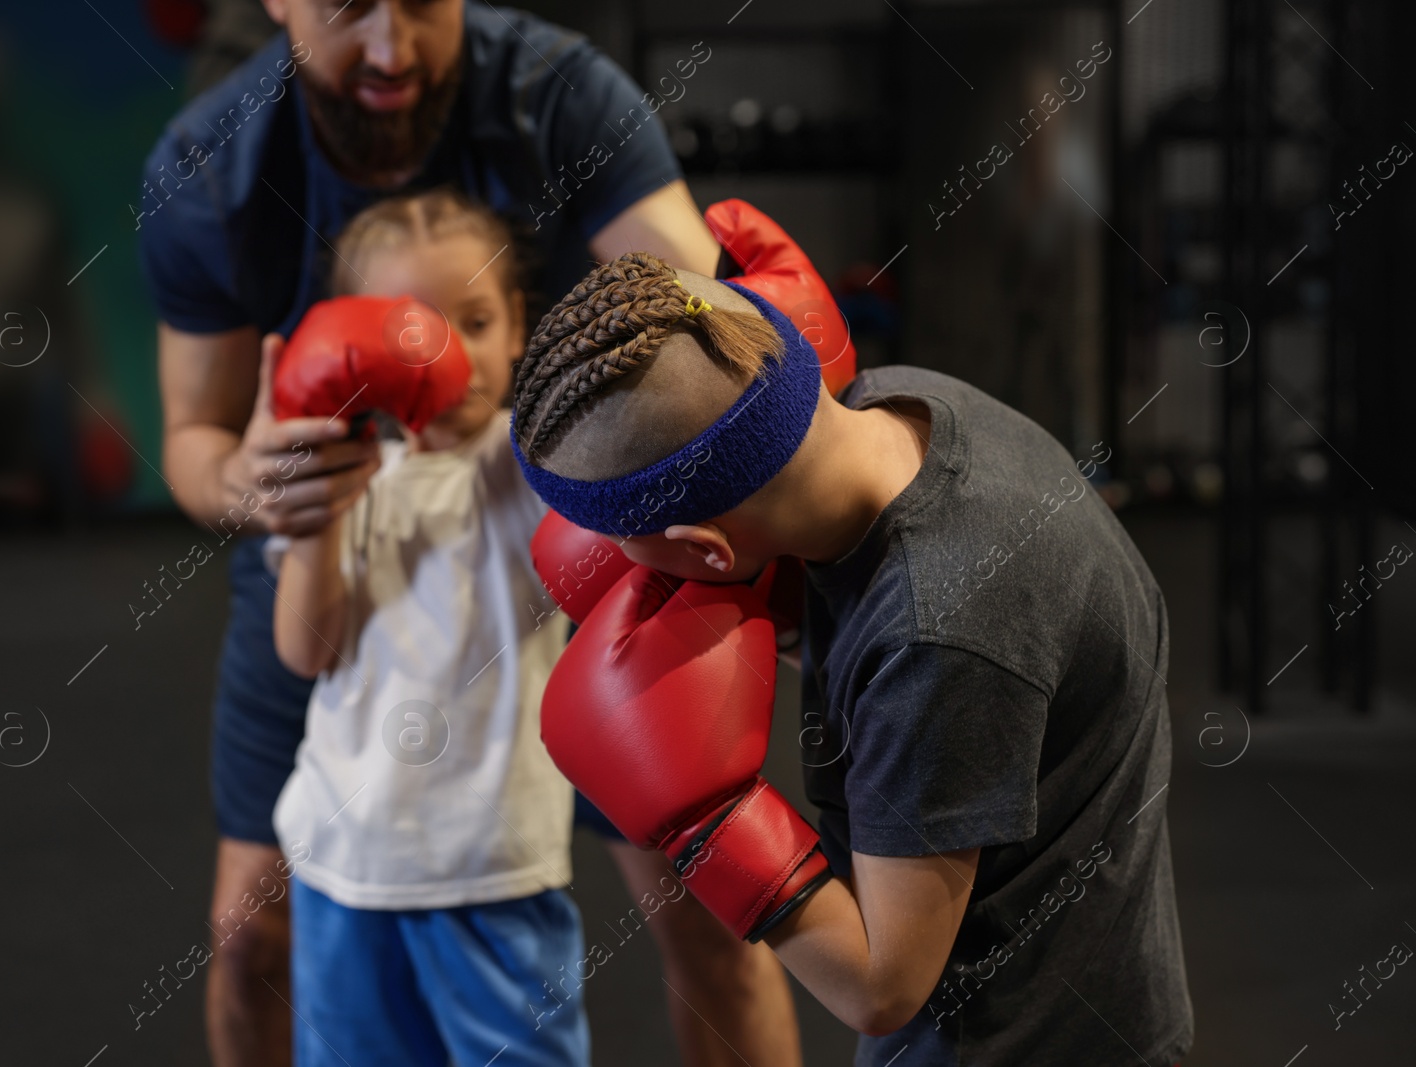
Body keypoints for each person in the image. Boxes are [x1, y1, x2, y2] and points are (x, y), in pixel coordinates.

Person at [136, 2, 799, 1063]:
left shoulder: (557, 96)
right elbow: (191, 439)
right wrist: (256, 486)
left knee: (709, 916)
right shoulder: (211, 169)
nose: (393, 48)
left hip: (577, 526)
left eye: (422, 5)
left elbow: (706, 326)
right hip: (340, 514)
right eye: (351, 8)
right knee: (249, 932)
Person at [507, 249, 1195, 1065]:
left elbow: (880, 986)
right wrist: (789, 622)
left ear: (705, 548)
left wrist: (708, 825)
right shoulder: (908, 402)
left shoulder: (938, 638)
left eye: (626, 545)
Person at [266, 189, 586, 1065]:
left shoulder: (536, 466)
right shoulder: (352, 480)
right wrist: (318, 490)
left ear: (518, 325)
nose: (450, 354)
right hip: (344, 860)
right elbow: (305, 649)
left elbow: (614, 521)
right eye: (413, 330)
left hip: (493, 866)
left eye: (474, 321)